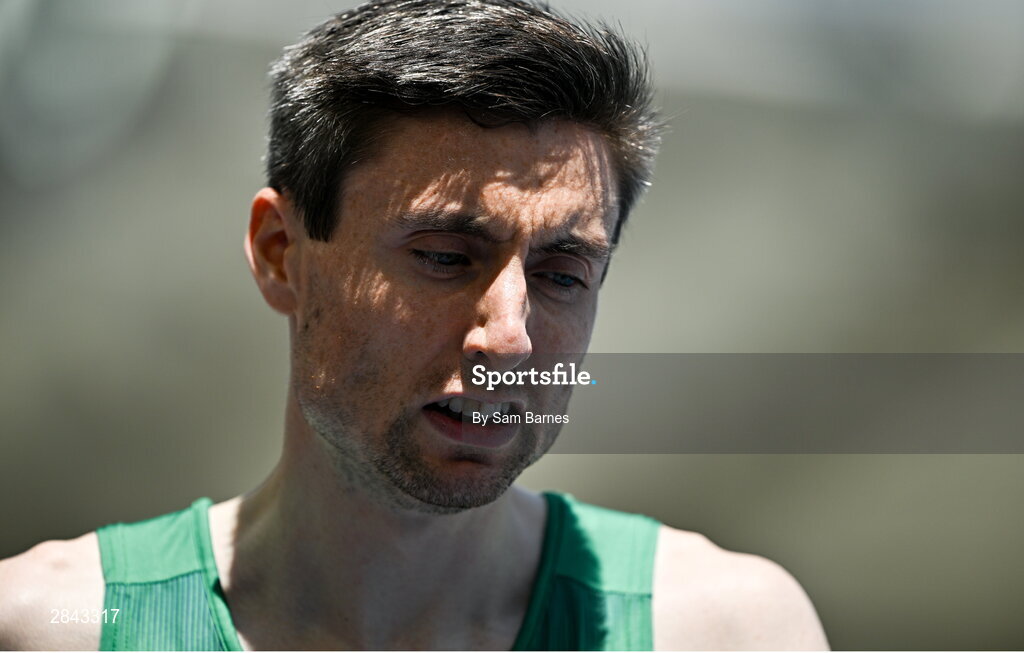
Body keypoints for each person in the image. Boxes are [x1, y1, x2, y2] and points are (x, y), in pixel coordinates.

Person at [0, 0, 829, 649]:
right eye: (444, 256)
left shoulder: (722, 631)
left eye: (562, 273)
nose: (510, 337)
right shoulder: (55, 628)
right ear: (282, 251)